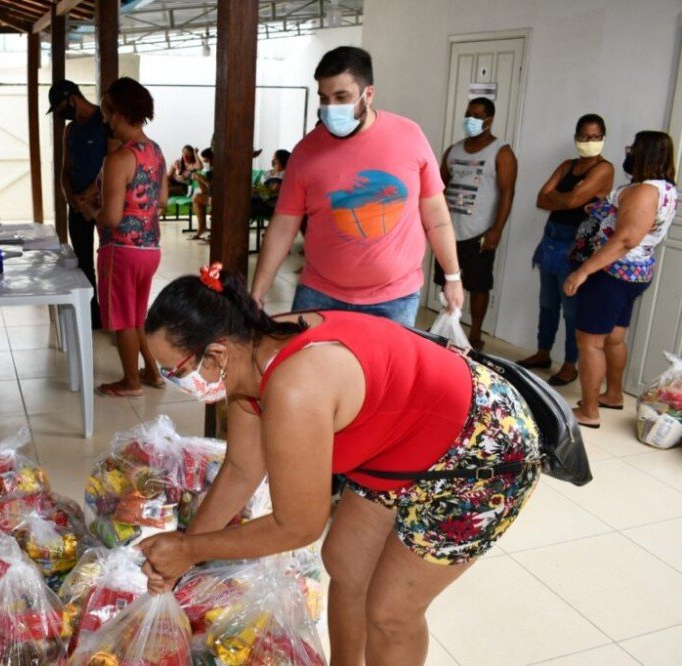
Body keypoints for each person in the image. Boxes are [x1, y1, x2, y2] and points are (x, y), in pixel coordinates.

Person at [138, 265, 541, 665]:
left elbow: (298, 525)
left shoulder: (295, 387)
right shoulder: (251, 355)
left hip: (482, 450)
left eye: (175, 371)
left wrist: (190, 548)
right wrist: (182, 558)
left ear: (217, 353)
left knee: (391, 613)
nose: (173, 380)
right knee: (345, 562)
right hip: (401, 442)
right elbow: (242, 470)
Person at [250, 46, 463, 326]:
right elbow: (283, 227)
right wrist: (258, 292)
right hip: (319, 294)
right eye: (324, 98)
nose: (331, 108)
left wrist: (452, 277)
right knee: (304, 356)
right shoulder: (306, 152)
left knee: (385, 359)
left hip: (394, 299)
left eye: (342, 97)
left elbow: (436, 216)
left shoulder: (409, 136)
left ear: (368, 94)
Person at [564, 131, 677, 428]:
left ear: (645, 153)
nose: (629, 153)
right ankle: (613, 394)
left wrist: (584, 271)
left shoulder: (643, 192)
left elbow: (626, 238)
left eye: (633, 149)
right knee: (615, 337)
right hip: (635, 273)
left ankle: (589, 411)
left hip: (611, 274)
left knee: (590, 342)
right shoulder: (664, 188)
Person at [519, 114, 614, 386]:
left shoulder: (604, 169)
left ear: (603, 138)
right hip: (551, 240)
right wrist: (570, 197)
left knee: (572, 310)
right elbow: (541, 198)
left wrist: (561, 198)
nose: (589, 141)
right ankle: (543, 352)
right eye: (584, 136)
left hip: (576, 246)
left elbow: (571, 201)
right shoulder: (567, 165)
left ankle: (570, 364)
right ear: (576, 138)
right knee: (548, 303)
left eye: (595, 137)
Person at [93, 77, 169, 397]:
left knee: (124, 319)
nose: (107, 120)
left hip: (121, 250)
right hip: (150, 249)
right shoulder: (156, 151)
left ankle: (130, 382)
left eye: (108, 113)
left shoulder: (118, 159)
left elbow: (111, 217)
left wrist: (92, 213)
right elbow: (162, 200)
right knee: (137, 315)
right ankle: (151, 371)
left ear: (120, 113)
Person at [434, 97, 517, 351]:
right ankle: (445, 327)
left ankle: (476, 333)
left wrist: (496, 230)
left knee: (478, 285)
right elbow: (438, 186)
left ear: (489, 120)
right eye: (468, 114)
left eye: (477, 116)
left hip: (479, 232)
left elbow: (507, 193)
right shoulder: (453, 150)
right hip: (449, 231)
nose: (471, 120)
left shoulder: (502, 152)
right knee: (446, 282)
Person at [49, 79, 108, 328]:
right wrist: (70, 196)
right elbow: (65, 170)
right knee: (83, 263)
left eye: (61, 107)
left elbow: (111, 165)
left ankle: (112, 315)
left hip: (104, 204)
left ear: (73, 98)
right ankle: (92, 317)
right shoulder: (70, 130)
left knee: (108, 261)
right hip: (76, 206)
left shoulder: (104, 121)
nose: (60, 114)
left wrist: (88, 194)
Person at [250, 149, 290, 218]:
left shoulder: (285, 174)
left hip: (271, 203)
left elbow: (274, 189)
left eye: (275, 158)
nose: (272, 160)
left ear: (280, 160)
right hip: (262, 199)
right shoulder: (268, 173)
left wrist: (258, 189)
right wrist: (258, 189)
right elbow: (261, 187)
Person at [191, 147, 213, 242]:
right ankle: (202, 228)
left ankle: (216, 233)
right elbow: (205, 191)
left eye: (206, 160)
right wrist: (199, 179)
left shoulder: (221, 169)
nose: (205, 163)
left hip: (223, 198)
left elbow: (217, 189)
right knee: (196, 197)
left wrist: (202, 179)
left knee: (213, 201)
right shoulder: (210, 170)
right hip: (213, 196)